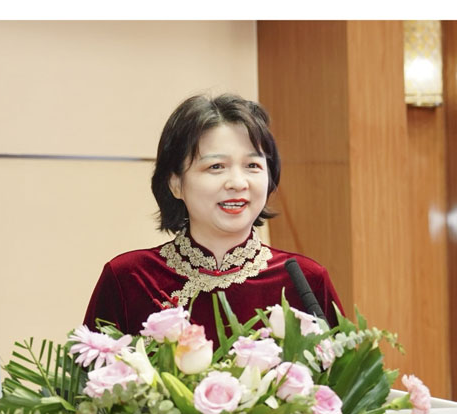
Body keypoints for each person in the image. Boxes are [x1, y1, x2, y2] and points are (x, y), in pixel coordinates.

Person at [83, 93, 343, 343]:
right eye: (216, 166)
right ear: (175, 184)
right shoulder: (129, 279)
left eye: (252, 166)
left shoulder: (306, 280)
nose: (238, 183)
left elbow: (345, 373)